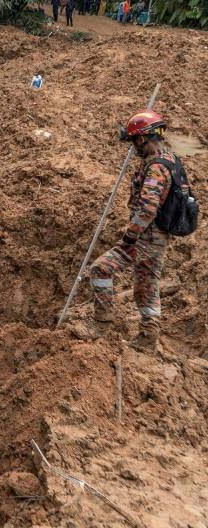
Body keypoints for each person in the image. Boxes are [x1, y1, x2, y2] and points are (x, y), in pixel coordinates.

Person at [89, 110, 186, 351]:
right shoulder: (171, 159)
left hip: (147, 237)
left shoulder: (155, 168)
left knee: (121, 276)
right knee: (128, 276)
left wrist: (130, 235)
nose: (133, 147)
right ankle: (128, 330)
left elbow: (147, 209)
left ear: (143, 138)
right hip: (153, 236)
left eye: (134, 140)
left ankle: (122, 330)